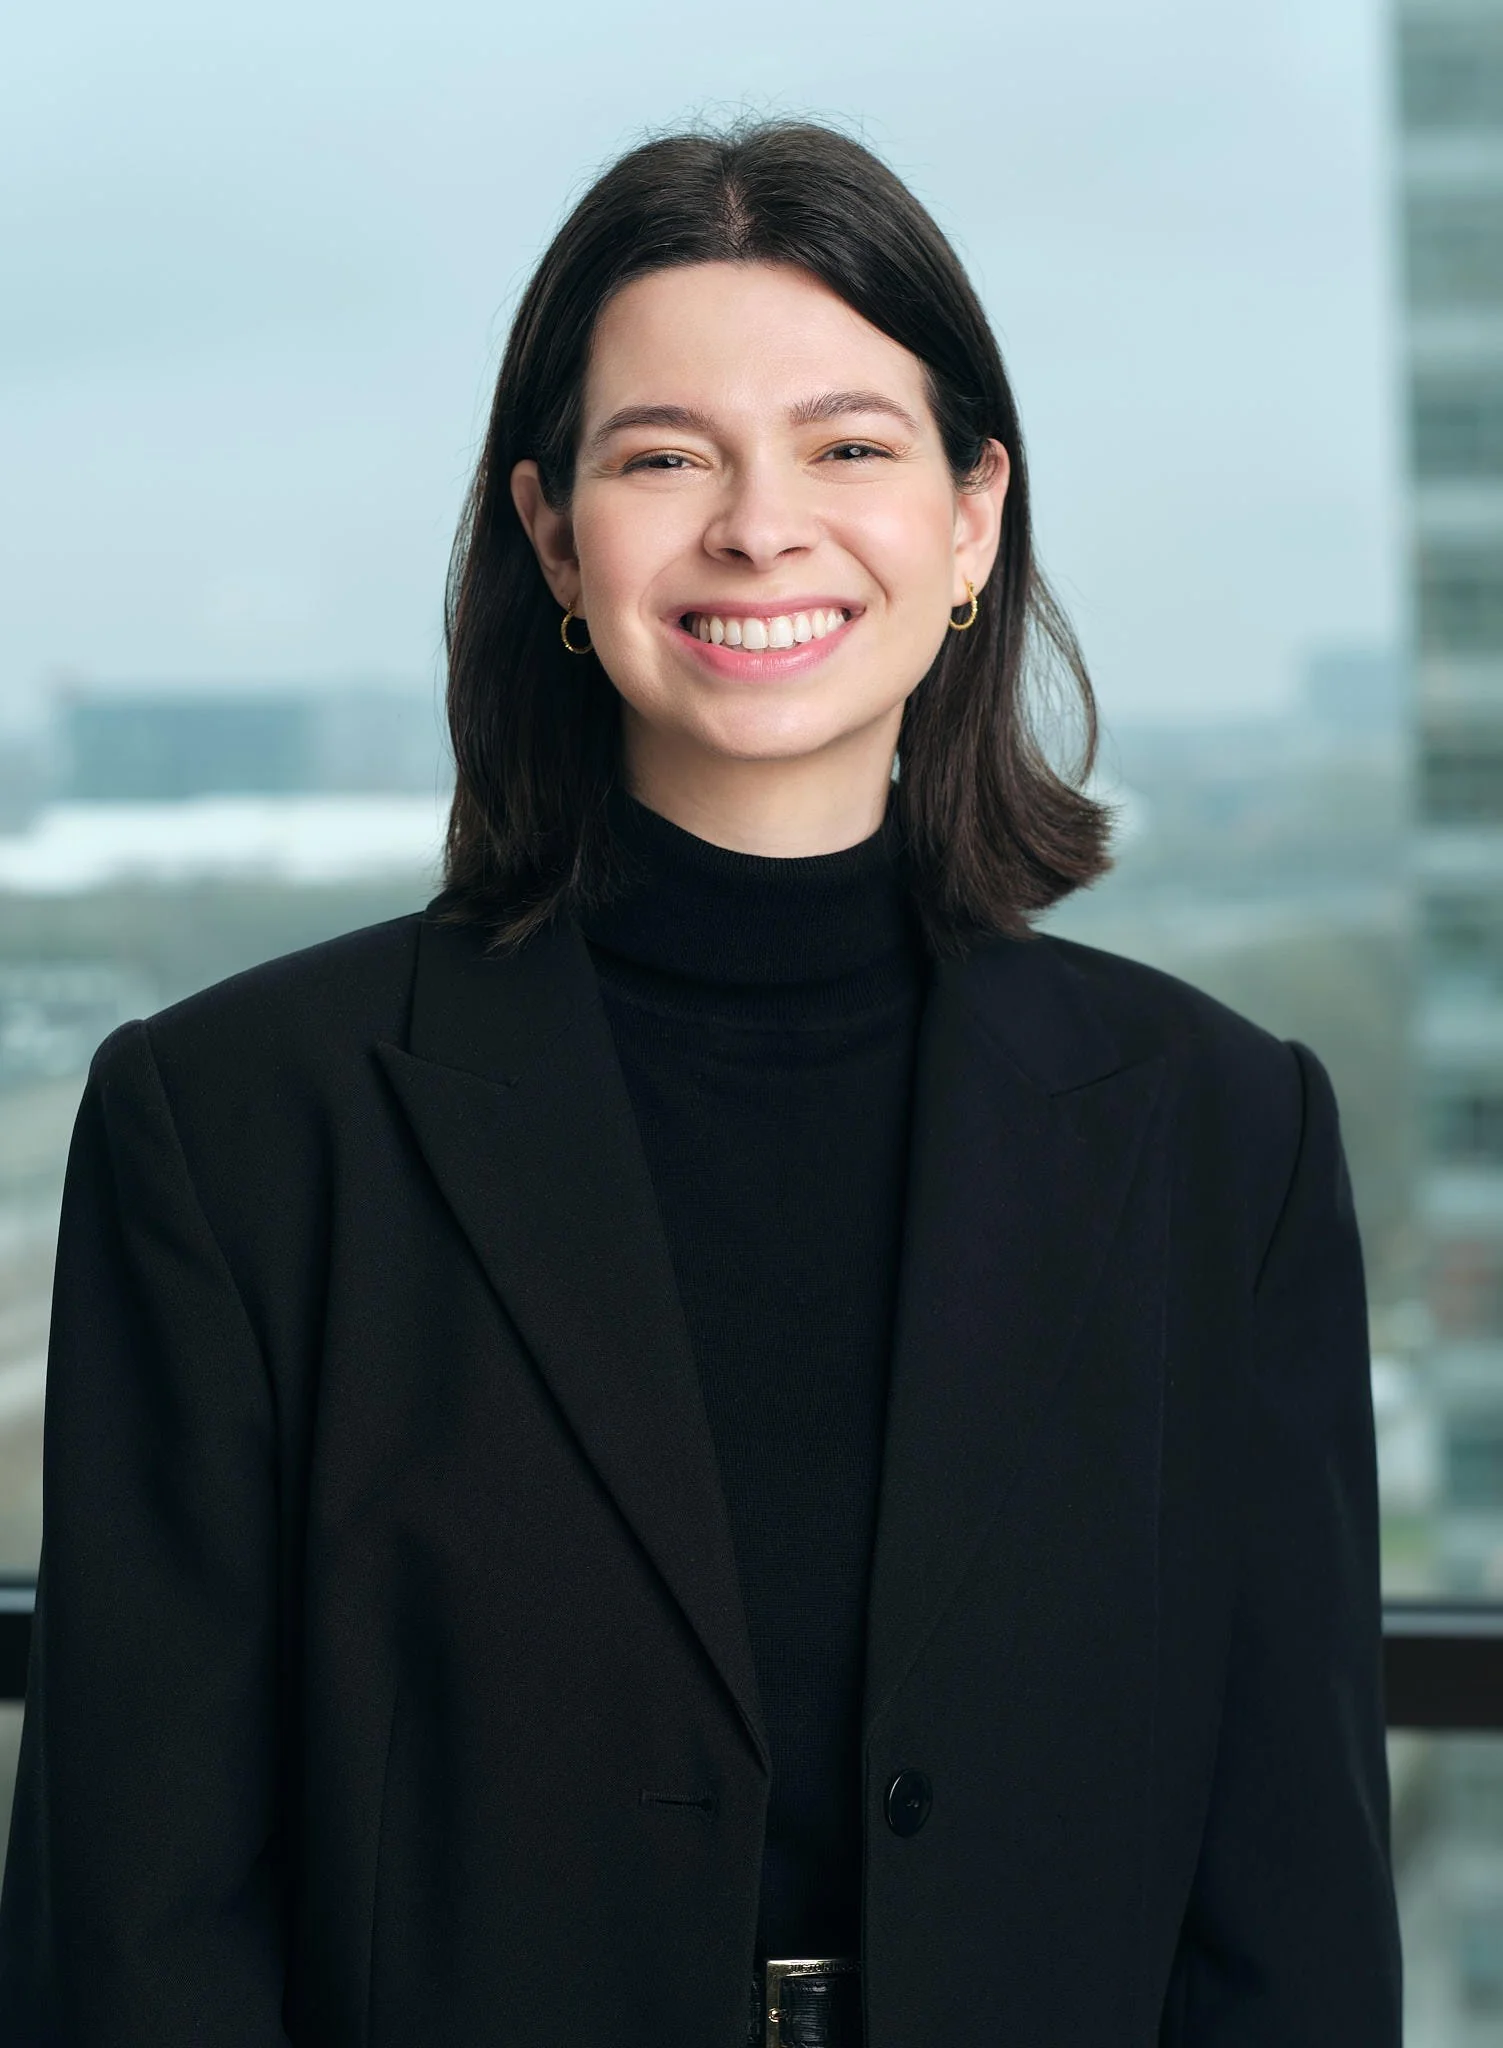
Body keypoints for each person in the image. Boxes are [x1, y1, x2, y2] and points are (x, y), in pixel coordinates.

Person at [0, 119, 1401, 2046]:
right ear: (553, 533)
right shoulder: (238, 1129)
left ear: (973, 518)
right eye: (666, 457)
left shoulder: (1222, 1136)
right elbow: (137, 1924)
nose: (760, 526)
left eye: (848, 447)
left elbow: (1291, 1913)